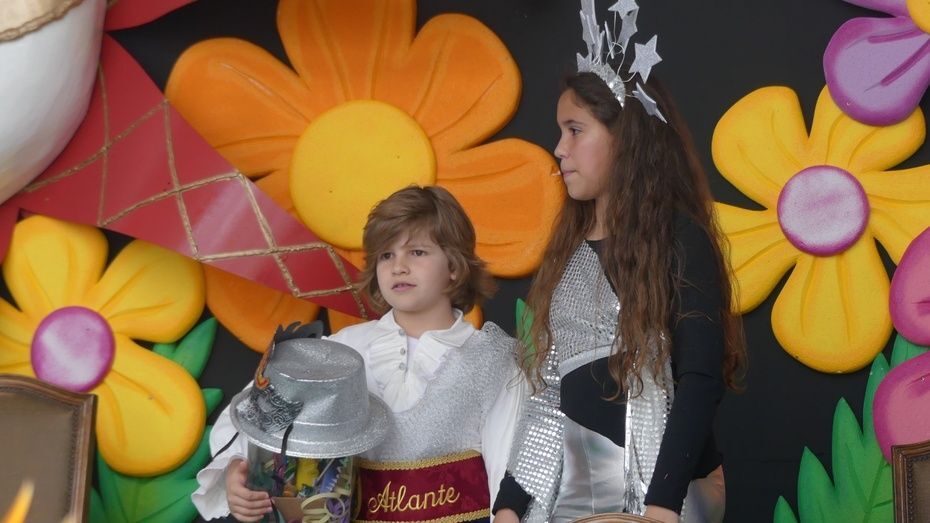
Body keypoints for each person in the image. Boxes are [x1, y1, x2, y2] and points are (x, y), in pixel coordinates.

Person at [491, 73, 747, 523]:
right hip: (575, 499)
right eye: (560, 132)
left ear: (625, 138)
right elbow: (550, 393)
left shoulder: (679, 240)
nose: (560, 149)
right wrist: (510, 504)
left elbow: (700, 378)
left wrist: (662, 507)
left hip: (666, 492)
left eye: (575, 130)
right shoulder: (567, 257)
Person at [192, 185, 522, 522]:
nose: (399, 267)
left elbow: (511, 456)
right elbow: (251, 416)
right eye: (386, 255)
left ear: (454, 265)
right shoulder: (341, 351)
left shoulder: (492, 359)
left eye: (417, 252)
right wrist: (235, 470)